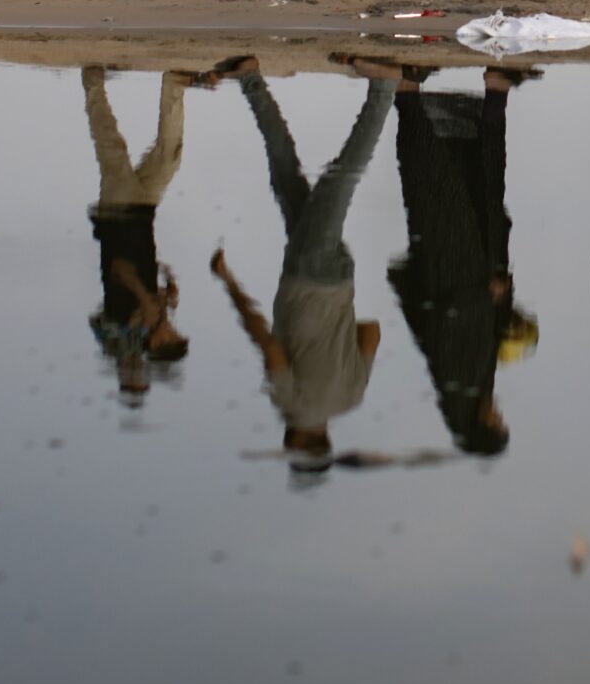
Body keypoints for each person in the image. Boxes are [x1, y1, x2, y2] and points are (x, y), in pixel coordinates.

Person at [212, 62, 394, 472]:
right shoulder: (291, 404)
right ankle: (384, 88)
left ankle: (251, 79)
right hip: (305, 273)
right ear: (297, 442)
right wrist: (229, 283)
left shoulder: (352, 397)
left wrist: (335, 328)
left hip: (336, 276)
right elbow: (268, 344)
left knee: (284, 175)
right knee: (340, 179)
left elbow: (371, 331)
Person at [388, 66, 535, 457]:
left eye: (497, 423)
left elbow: (449, 318)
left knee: (438, 178)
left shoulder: (457, 377)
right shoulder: (472, 383)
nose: (499, 415)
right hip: (475, 260)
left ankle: (407, 85)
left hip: (451, 260)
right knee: (481, 176)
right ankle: (489, 88)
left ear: (483, 424)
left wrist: (483, 296)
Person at [83, 65, 191, 403]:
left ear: (156, 344)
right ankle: (174, 83)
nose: (174, 330)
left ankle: (93, 83)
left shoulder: (125, 325)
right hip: (143, 215)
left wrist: (148, 299)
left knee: (111, 146)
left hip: (117, 217)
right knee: (169, 157)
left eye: (172, 336)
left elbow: (120, 270)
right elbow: (145, 272)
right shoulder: (152, 319)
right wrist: (162, 294)